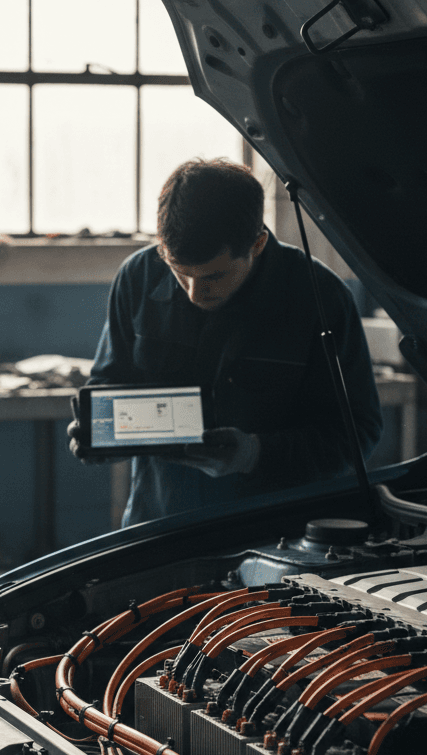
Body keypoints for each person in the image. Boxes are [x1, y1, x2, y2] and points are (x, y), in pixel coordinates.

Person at [69, 158, 383, 526]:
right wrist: (99, 432)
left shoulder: (320, 297)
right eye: (180, 273)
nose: (194, 292)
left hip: (271, 533)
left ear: (257, 244)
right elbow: (110, 382)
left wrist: (255, 454)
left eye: (214, 276)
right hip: (158, 524)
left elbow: (358, 434)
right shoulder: (137, 277)